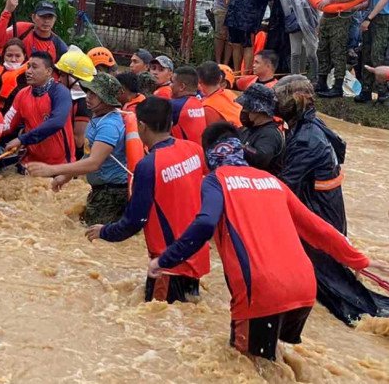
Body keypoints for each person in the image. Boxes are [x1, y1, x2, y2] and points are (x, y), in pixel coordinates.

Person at [149, 122, 381, 361]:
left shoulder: (215, 181)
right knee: (269, 364)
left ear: (209, 156)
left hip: (262, 290)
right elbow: (318, 229)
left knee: (245, 368)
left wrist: (164, 259)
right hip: (304, 288)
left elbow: (205, 224)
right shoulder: (273, 181)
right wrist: (360, 260)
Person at [274, 75, 389, 324]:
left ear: (295, 102)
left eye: (280, 99)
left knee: (334, 286)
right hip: (327, 203)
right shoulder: (312, 124)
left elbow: (282, 187)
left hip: (320, 209)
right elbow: (341, 147)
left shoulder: (306, 139)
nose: (276, 104)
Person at [86, 96, 209, 303]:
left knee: (160, 324)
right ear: (170, 123)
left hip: (167, 263)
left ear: (141, 126)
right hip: (195, 254)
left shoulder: (148, 165)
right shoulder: (193, 150)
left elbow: (135, 221)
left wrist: (103, 231)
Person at [27, 73, 132, 225]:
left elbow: (94, 163)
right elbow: (88, 155)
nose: (88, 96)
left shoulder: (109, 126)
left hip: (112, 193)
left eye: (94, 94)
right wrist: (66, 176)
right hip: (102, 190)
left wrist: (52, 170)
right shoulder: (97, 118)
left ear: (107, 100)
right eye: (88, 91)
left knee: (95, 238)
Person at [3, 51, 75, 167]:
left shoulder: (60, 92)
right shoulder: (22, 94)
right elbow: (6, 125)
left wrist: (22, 139)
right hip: (31, 164)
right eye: (28, 67)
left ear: (48, 71)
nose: (28, 71)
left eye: (34, 67)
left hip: (60, 166)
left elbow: (56, 122)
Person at [316, 0, 362, 98]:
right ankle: (321, 80)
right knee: (322, 48)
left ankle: (337, 85)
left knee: (338, 50)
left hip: (341, 16)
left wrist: (331, 1)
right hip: (327, 16)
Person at [276, 0, 321, 81]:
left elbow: (319, 2)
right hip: (295, 21)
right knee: (295, 52)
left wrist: (318, 24)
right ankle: (295, 78)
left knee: (311, 53)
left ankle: (314, 78)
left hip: (310, 21)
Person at [0, 0, 68, 61]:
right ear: (33, 17)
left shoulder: (59, 46)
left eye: (50, 17)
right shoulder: (21, 28)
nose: (46, 21)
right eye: (43, 16)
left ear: (55, 19)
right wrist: (7, 11)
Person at [357, 0, 389, 103]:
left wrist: (369, 18)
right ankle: (366, 90)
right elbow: (371, 0)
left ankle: (382, 91)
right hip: (372, 18)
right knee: (366, 52)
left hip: (382, 19)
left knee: (377, 54)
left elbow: (383, 1)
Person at [54, 48, 95, 158]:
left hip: (73, 160)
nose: (59, 79)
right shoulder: (70, 98)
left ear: (74, 78)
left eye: (62, 75)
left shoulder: (83, 104)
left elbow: (79, 141)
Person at [236, 83, 284, 175]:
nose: (243, 111)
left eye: (247, 107)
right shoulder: (247, 129)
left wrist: (239, 146)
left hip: (265, 184)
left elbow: (261, 158)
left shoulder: (270, 134)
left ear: (259, 110)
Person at [198, 61, 243, 127]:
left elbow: (211, 134)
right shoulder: (229, 93)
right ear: (220, 78)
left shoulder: (208, 108)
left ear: (199, 81)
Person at [169, 66, 207, 143]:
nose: (170, 85)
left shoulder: (176, 105)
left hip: (183, 152)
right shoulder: (199, 102)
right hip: (198, 152)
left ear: (182, 87)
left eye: (172, 82)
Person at [0, 37, 28, 111]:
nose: (13, 60)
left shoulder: (30, 77)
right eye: (9, 55)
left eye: (17, 56)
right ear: (3, 55)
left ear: (24, 56)